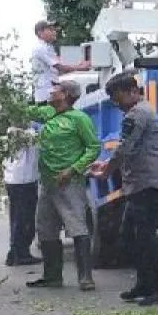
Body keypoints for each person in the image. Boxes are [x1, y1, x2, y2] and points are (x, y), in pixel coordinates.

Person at [89, 73, 158, 306]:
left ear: (132, 92)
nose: (115, 103)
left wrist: (107, 170)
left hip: (148, 184)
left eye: (117, 97)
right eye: (113, 99)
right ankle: (144, 284)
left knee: (146, 237)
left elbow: (125, 147)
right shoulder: (136, 113)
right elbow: (128, 150)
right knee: (130, 235)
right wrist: (105, 165)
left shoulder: (138, 114)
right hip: (139, 184)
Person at [24, 80, 101, 291]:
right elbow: (23, 111)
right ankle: (52, 276)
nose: (51, 92)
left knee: (77, 226)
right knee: (45, 228)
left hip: (69, 183)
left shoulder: (79, 119)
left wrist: (73, 169)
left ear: (65, 94)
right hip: (48, 183)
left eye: (56, 89)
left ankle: (85, 277)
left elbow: (93, 148)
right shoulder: (49, 113)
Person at [3, 129, 42, 267]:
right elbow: (39, 140)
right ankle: (18, 254)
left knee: (18, 218)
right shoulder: (20, 133)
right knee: (23, 219)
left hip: (17, 180)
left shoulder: (12, 133)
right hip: (23, 181)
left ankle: (16, 253)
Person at [31, 19, 91, 104]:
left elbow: (60, 62)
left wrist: (80, 63)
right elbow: (61, 67)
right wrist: (82, 67)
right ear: (40, 33)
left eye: (54, 30)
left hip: (50, 93)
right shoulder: (40, 48)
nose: (54, 32)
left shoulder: (47, 47)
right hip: (46, 96)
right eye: (50, 30)